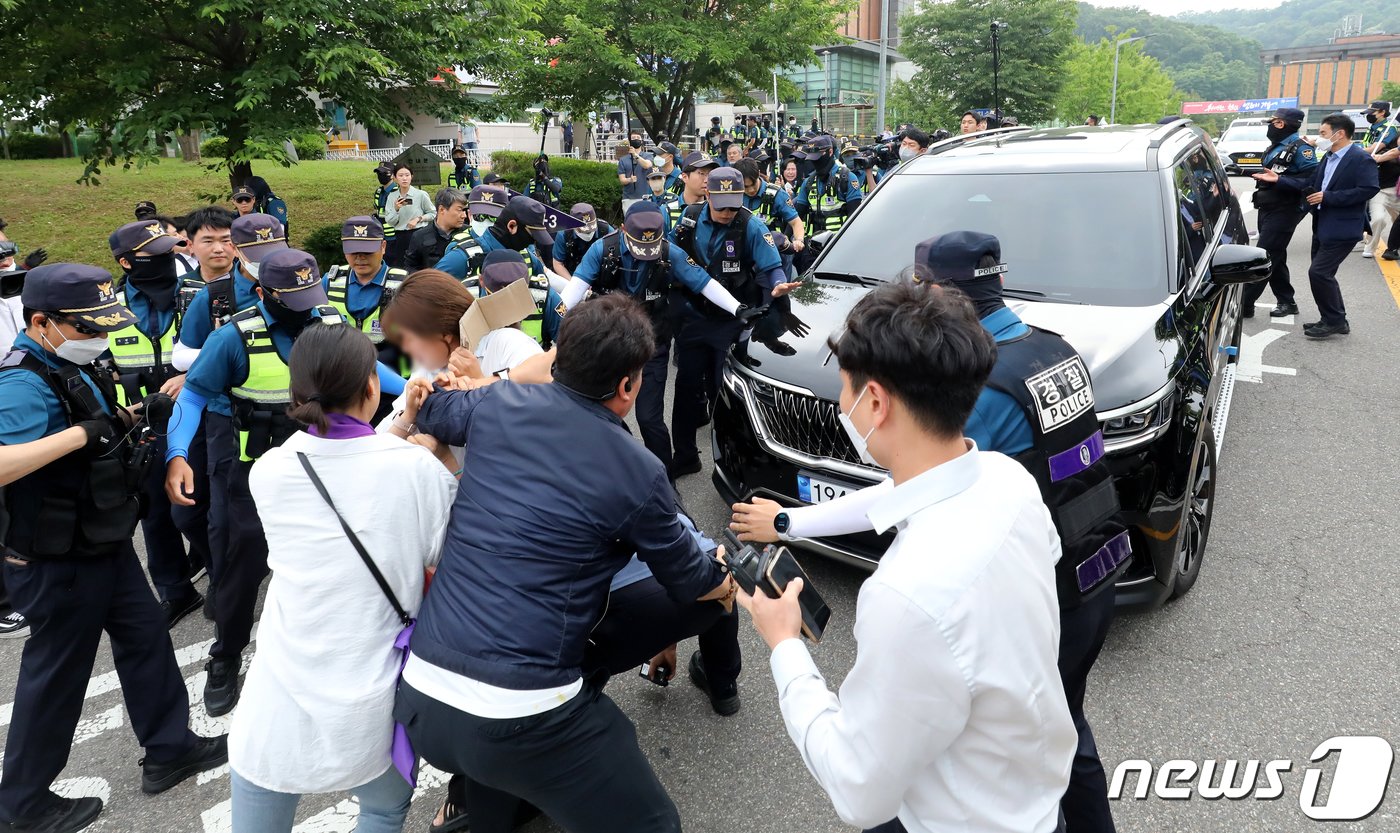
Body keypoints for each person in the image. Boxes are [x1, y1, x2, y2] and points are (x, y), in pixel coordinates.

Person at [739, 230, 1131, 831]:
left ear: (875, 402)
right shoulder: (1006, 478)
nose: (842, 405)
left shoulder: (909, 597)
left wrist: (785, 644)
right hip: (1035, 764)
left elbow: (859, 790)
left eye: (843, 389)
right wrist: (790, 520)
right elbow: (904, 496)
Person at [394, 293, 738, 833]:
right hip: (523, 713)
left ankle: (479, 807)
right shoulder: (637, 467)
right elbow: (689, 577)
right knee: (652, 824)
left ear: (558, 362)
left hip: (420, 697)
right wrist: (721, 578)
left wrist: (435, 386)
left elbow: (434, 407)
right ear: (629, 386)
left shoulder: (494, 406)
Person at [0, 264, 228, 833]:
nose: (99, 337)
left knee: (146, 639)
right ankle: (22, 803)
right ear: (41, 322)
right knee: (57, 674)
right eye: (87, 328)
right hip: (58, 555)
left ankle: (170, 747)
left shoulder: (66, 361)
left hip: (101, 539)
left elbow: (93, 422)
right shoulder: (21, 382)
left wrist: (130, 417)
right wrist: (85, 434)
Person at [228, 324, 456, 833]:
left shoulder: (268, 471)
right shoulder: (416, 471)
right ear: (373, 388)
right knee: (381, 811)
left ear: (296, 394)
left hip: (276, 701)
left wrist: (403, 434)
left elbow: (343, 466)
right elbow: (436, 551)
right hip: (369, 703)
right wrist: (425, 434)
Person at [164, 250, 404, 716]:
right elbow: (191, 397)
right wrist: (177, 455)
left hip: (330, 464)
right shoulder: (234, 337)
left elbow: (371, 372)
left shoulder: (330, 320)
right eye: (293, 298)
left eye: (310, 295)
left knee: (340, 556)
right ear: (262, 293)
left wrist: (423, 383)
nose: (306, 307)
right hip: (254, 474)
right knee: (241, 567)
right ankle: (225, 657)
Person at [559, 203, 756, 473]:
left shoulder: (670, 252)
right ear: (623, 230)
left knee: (649, 418)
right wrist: (554, 328)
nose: (645, 256)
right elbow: (571, 295)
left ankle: (665, 480)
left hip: (651, 344)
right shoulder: (602, 249)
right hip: (608, 345)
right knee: (604, 414)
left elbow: (705, 283)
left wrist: (738, 308)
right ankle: (618, 472)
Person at [105, 221, 209, 626]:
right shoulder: (109, 309)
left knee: (199, 506)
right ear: (126, 262)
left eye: (170, 253)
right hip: (137, 425)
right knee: (153, 513)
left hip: (193, 415)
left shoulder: (197, 296)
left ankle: (219, 570)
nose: (168, 261)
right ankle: (176, 591)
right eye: (156, 256)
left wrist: (190, 373)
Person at [669, 168, 799, 478]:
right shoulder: (689, 216)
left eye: (734, 204)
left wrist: (778, 285)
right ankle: (686, 455)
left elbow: (772, 267)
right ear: (708, 196)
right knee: (686, 389)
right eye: (722, 205)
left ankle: (731, 460)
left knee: (723, 392)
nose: (728, 212)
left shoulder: (750, 224)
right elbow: (672, 254)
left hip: (732, 320)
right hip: (693, 317)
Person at [1257, 112, 1378, 339]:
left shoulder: (1360, 158)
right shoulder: (1329, 157)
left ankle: (1333, 320)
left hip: (1343, 226)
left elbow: (1368, 189)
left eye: (1323, 133)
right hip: (1323, 223)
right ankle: (1335, 319)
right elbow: (1311, 183)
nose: (1318, 137)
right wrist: (1279, 180)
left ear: (1339, 134)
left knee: (1319, 273)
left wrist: (1327, 197)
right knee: (1323, 274)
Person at [1245, 107, 1318, 319]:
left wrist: (1279, 180)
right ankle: (1287, 301)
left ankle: (1245, 303)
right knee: (1276, 254)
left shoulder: (1302, 149)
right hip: (1268, 205)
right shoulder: (1276, 146)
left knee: (1264, 255)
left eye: (1274, 122)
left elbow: (1311, 181)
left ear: (1282, 124)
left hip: (1286, 209)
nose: (1270, 126)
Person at [322, 216, 411, 366]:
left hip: (390, 373)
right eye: (353, 251)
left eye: (367, 251)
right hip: (340, 370)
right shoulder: (330, 281)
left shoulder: (404, 284)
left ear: (383, 247)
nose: (360, 257)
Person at [434, 195, 555, 282]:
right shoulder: (462, 258)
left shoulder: (528, 258)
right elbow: (426, 294)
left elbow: (547, 295)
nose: (532, 241)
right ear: (512, 226)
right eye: (531, 235)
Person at [476, 249, 562, 352]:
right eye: (499, 298)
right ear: (481, 281)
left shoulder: (544, 296)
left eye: (516, 296)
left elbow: (569, 345)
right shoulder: (467, 298)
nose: (508, 307)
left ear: (528, 281)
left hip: (536, 363)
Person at [793, 135, 863, 242]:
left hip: (839, 242)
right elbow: (796, 216)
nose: (815, 162)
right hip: (813, 243)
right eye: (813, 159)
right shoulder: (808, 182)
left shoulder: (847, 178)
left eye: (818, 158)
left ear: (830, 152)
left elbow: (854, 216)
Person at [1359, 100, 1400, 259]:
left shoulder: (1389, 129)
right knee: (1378, 219)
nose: (1368, 116)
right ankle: (1371, 245)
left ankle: (1392, 248)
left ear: (1382, 112)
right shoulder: (1373, 128)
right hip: (1379, 185)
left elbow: (1391, 152)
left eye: (1372, 112)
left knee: (1397, 220)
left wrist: (1378, 157)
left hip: (1394, 185)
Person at [383, 164, 436, 268]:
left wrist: (419, 219)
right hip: (400, 237)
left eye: (407, 175)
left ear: (412, 176)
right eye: (401, 175)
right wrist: (396, 209)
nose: (404, 178)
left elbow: (433, 213)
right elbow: (390, 221)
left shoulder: (420, 194)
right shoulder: (392, 196)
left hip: (419, 234)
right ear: (395, 178)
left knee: (421, 266)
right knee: (403, 267)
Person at [404, 188, 468, 273]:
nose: (464, 215)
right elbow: (410, 268)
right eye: (459, 210)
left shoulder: (469, 233)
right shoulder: (419, 236)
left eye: (465, 210)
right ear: (442, 209)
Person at [551, 203, 614, 280]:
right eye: (584, 230)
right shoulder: (564, 234)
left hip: (601, 276)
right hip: (573, 275)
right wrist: (574, 284)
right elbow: (557, 264)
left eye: (590, 229)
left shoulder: (606, 230)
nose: (588, 233)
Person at [617, 139, 652, 213]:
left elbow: (646, 165)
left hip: (646, 197)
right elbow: (622, 180)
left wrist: (635, 155)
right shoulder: (623, 160)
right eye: (633, 138)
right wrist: (630, 180)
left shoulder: (648, 156)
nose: (636, 139)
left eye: (638, 137)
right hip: (628, 199)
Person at [643, 168, 682, 233]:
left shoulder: (674, 199)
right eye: (653, 179)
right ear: (648, 182)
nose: (656, 181)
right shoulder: (645, 201)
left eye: (659, 178)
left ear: (664, 179)